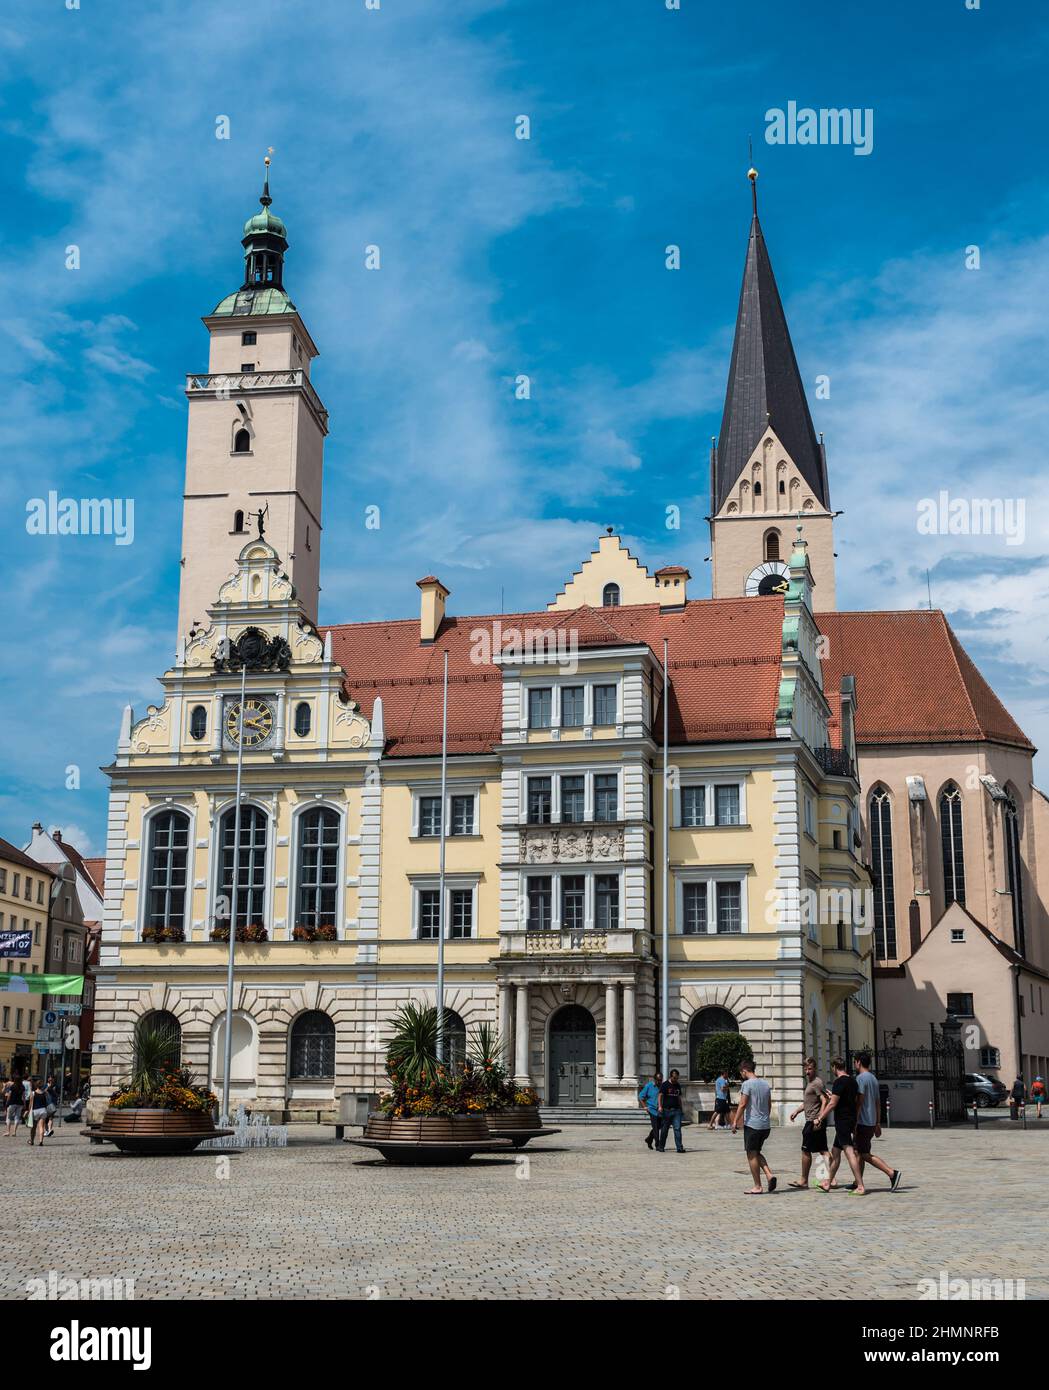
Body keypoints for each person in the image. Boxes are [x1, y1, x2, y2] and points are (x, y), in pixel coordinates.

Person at [815, 1059, 866, 1194]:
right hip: (849, 1119)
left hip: (842, 1121)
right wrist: (834, 1097)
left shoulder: (839, 1082)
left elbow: (832, 1105)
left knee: (849, 1153)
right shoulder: (853, 1081)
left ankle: (860, 1186)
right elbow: (850, 1100)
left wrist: (820, 1118)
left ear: (835, 1067)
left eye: (832, 1068)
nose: (832, 1070)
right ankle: (828, 1182)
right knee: (836, 1152)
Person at [853, 1052, 902, 1192]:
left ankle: (892, 1173)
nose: (854, 1064)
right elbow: (877, 1102)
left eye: (855, 1062)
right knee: (859, 1151)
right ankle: (858, 1181)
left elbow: (860, 1102)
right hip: (871, 1121)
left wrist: (855, 1121)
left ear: (858, 1062)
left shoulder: (861, 1078)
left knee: (864, 1154)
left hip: (862, 1121)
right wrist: (878, 1123)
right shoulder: (874, 1079)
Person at [732, 1058, 776, 1193]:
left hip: (753, 1125)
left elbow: (743, 1104)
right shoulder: (765, 1084)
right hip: (765, 1125)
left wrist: (735, 1121)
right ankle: (769, 1174)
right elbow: (769, 1105)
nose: (741, 1075)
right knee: (756, 1152)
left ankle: (758, 1186)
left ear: (744, 1070)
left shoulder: (747, 1084)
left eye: (741, 1073)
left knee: (751, 1155)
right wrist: (765, 1118)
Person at [788, 1057, 827, 1188]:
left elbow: (824, 1101)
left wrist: (819, 1118)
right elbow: (808, 1103)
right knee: (823, 1150)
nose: (807, 1071)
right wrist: (797, 1111)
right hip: (812, 1120)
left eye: (809, 1068)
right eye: (805, 1069)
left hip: (813, 1121)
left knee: (806, 1150)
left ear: (814, 1068)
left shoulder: (816, 1083)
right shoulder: (810, 1083)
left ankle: (804, 1180)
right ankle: (831, 1179)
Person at [656, 1069, 686, 1153]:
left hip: (676, 1110)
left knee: (677, 1129)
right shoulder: (665, 1084)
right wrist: (660, 1106)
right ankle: (661, 1146)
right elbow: (660, 1095)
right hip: (666, 1110)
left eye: (677, 1078)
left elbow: (679, 1097)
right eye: (674, 1078)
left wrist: (681, 1108)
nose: (675, 1080)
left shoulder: (678, 1085)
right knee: (665, 1129)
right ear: (670, 1076)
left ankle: (679, 1148)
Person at [638, 1072, 663, 1149]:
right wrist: (645, 1107)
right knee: (655, 1127)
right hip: (652, 1109)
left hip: (660, 1110)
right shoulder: (649, 1086)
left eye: (660, 1080)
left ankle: (649, 1139)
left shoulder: (662, 1086)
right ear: (654, 1079)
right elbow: (641, 1096)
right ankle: (657, 1145)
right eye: (658, 1080)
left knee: (659, 1126)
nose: (659, 1082)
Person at [27, 1077, 50, 1147]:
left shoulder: (33, 1093)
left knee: (33, 1128)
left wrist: (28, 1112)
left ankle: (32, 1141)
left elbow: (30, 1104)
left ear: (36, 1086)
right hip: (43, 1111)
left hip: (35, 1111)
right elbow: (47, 1102)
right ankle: (41, 1141)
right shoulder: (45, 1093)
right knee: (41, 1127)